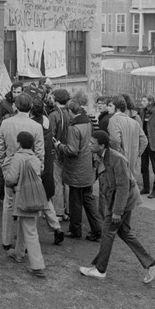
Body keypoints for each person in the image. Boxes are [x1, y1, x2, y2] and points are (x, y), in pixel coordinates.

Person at [79, 130, 155, 283]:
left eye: (92, 143)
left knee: (107, 232)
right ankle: (151, 263)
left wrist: (117, 211)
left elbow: (123, 187)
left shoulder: (117, 159)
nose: (89, 145)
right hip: (116, 200)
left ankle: (100, 269)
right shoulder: (100, 155)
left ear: (102, 145)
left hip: (122, 201)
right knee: (123, 233)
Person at [0, 93, 44, 250]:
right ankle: (25, 244)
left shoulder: (6, 123)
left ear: (15, 106)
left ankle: (6, 240)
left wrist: (4, 166)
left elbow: (0, 148)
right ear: (30, 107)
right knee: (28, 205)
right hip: (30, 168)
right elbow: (40, 152)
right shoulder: (36, 126)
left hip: (10, 166)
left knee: (9, 204)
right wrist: (39, 169)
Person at [3, 131, 48, 278]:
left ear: (19, 143)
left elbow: (10, 179)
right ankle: (19, 253)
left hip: (23, 197)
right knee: (25, 224)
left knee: (30, 230)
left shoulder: (18, 157)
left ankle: (38, 265)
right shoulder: (35, 159)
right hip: (34, 197)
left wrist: (5, 172)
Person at [62, 99, 103, 241]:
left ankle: (75, 229)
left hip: (76, 170)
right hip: (87, 168)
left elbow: (72, 150)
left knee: (75, 201)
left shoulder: (73, 128)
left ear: (69, 111)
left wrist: (59, 146)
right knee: (88, 199)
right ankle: (98, 229)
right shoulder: (87, 123)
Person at [30, 96, 65, 245]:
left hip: (36, 165)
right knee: (46, 198)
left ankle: (29, 236)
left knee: (31, 201)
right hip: (48, 165)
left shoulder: (31, 126)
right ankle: (56, 228)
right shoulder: (46, 121)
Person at [0, 81, 23, 214]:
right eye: (14, 92)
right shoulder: (5, 104)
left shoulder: (25, 103)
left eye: (19, 92)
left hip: (18, 146)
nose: (16, 94)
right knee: (2, 177)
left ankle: (4, 201)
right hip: (8, 144)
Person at [107, 95, 148, 177]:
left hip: (120, 164)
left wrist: (119, 155)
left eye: (110, 106)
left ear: (117, 107)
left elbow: (115, 140)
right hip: (133, 163)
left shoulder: (113, 120)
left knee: (120, 187)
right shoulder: (134, 122)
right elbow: (144, 141)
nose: (107, 108)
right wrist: (136, 154)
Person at [48, 88, 72, 221]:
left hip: (57, 152)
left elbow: (51, 135)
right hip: (69, 151)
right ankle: (68, 211)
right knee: (67, 183)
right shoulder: (70, 112)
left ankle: (58, 212)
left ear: (55, 99)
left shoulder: (54, 115)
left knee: (57, 182)